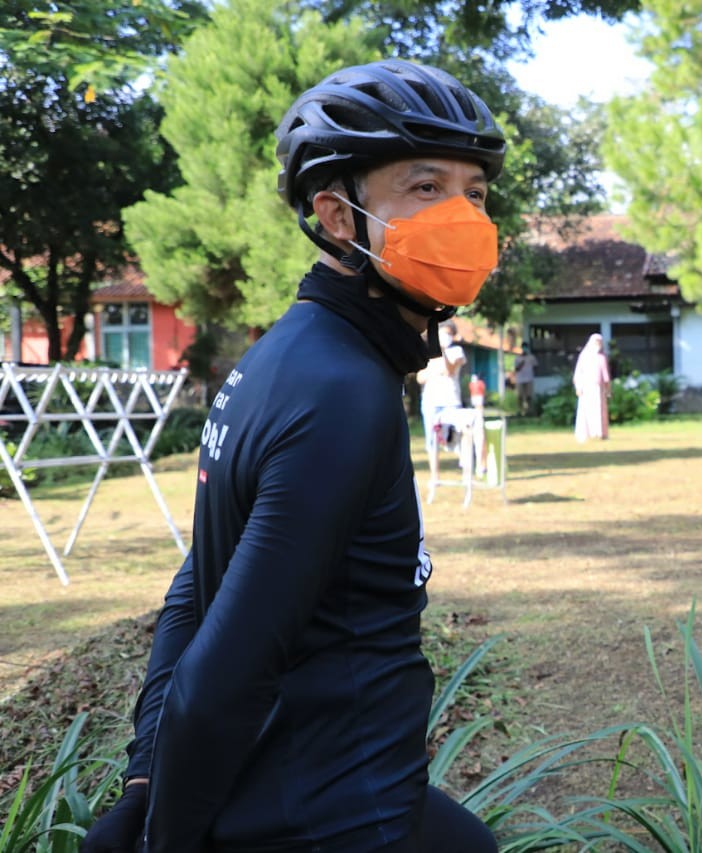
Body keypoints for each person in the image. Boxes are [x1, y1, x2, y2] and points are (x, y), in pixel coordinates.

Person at [81, 60, 504, 852]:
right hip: (335, 814)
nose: (464, 215)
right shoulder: (343, 389)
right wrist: (160, 835)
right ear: (336, 215)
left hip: (329, 787)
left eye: (474, 191)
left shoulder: (285, 355)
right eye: (424, 188)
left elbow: (195, 586)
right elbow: (223, 669)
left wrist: (144, 778)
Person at [417, 320, 486, 479]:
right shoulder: (427, 354)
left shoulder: (457, 352)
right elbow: (420, 377)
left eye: (448, 333)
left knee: (459, 436)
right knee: (432, 441)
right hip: (430, 402)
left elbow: (449, 371)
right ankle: (435, 477)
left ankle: (467, 469)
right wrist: (434, 367)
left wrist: (442, 353)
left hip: (451, 402)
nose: (444, 337)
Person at [573, 332, 610, 442]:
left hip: (599, 388)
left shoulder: (602, 357)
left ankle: (600, 433)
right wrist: (578, 387)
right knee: (585, 410)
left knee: (599, 410)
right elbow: (578, 373)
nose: (598, 344)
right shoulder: (584, 355)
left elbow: (605, 375)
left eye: (600, 342)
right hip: (586, 387)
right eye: (596, 342)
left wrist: (608, 388)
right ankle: (585, 433)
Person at [513, 349, 537, 415]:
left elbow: (536, 367)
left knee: (529, 396)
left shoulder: (531, 357)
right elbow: (516, 369)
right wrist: (522, 363)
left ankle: (529, 411)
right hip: (520, 380)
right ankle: (520, 411)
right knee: (519, 396)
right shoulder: (517, 358)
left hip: (529, 379)